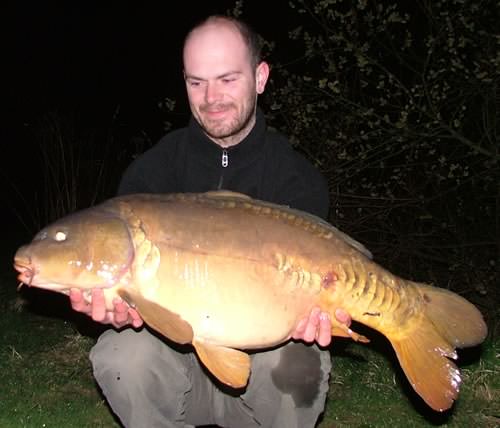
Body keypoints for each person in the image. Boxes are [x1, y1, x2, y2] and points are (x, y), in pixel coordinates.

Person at [70, 15, 351, 428]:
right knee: (122, 356)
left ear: (260, 77)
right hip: (178, 380)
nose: (210, 98)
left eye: (226, 79)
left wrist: (321, 313)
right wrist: (117, 309)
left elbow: (316, 295)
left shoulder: (297, 181)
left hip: (260, 381)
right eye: (196, 82)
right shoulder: (151, 176)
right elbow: (130, 298)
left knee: (299, 365)